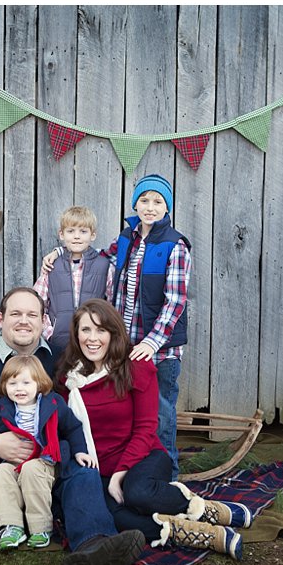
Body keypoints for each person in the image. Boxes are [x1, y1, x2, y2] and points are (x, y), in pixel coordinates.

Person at [0, 287, 145, 565]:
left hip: (51, 465)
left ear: (44, 322)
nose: (24, 321)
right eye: (15, 314)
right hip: (1, 471)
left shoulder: (63, 361)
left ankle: (94, 543)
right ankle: (58, 509)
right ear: (0, 319)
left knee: (84, 467)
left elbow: (100, 391)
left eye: (32, 314)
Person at [56, 299, 246, 559]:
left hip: (143, 457)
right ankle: (200, 534)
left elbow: (146, 429)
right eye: (86, 330)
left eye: (101, 330)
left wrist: (119, 475)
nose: (93, 338)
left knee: (137, 493)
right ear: (76, 335)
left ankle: (203, 509)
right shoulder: (69, 378)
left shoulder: (135, 366)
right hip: (98, 468)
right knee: (115, 516)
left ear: (114, 333)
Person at [43, 175, 191, 479]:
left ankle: (169, 476)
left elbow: (175, 300)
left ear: (167, 207)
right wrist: (59, 253)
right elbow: (94, 256)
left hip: (158, 349)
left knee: (161, 413)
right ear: (135, 204)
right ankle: (127, 469)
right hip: (126, 345)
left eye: (158, 202)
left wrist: (152, 342)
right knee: (130, 409)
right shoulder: (126, 238)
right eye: (145, 200)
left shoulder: (175, 246)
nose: (150, 207)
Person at [0, 354, 97, 551]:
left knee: (31, 469)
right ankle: (10, 526)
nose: (19, 389)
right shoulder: (1, 408)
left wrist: (80, 451)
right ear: (4, 386)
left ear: (39, 383)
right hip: (13, 461)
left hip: (45, 460)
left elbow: (72, 427)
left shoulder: (53, 403)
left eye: (26, 382)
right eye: (12, 383)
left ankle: (41, 529)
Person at [33, 206, 114, 352]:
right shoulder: (52, 266)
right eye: (71, 231)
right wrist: (49, 332)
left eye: (83, 231)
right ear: (62, 234)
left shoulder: (104, 266)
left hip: (93, 343)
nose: (77, 236)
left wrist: (103, 331)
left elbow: (112, 304)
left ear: (92, 235)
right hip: (58, 343)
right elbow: (37, 302)